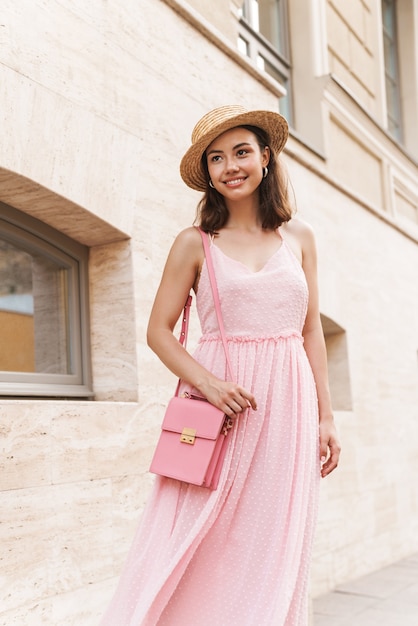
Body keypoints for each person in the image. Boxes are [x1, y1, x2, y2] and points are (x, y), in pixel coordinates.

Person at [100, 104, 341, 626]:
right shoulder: (194, 243)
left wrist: (325, 417)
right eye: (216, 158)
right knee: (194, 529)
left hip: (288, 406)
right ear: (207, 173)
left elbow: (310, 330)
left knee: (273, 532)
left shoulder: (300, 238)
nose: (230, 166)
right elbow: (158, 331)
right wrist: (208, 385)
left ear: (265, 157)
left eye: (241, 152)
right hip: (219, 410)